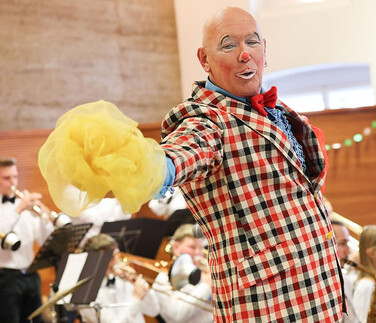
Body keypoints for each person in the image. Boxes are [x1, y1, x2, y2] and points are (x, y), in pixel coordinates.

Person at [155, 7, 343, 321]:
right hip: (265, 308)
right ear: (204, 59)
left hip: (320, 298)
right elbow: (184, 151)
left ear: (264, 50)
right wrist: (152, 168)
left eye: (252, 42)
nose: (245, 54)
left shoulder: (275, 110)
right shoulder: (205, 118)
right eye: (229, 45)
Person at [0, 157, 54, 323]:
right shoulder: (18, 207)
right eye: (6, 178)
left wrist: (44, 217)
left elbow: (45, 239)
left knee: (35, 320)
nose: (13, 182)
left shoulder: (25, 205)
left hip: (31, 274)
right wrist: (19, 209)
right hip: (6, 278)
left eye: (15, 176)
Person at [79, 234, 160, 323]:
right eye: (110, 257)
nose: (116, 261)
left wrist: (138, 284)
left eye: (116, 254)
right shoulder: (86, 293)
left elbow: (153, 311)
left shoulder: (123, 279)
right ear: (95, 261)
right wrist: (136, 298)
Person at [152, 224, 213, 323]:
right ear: (176, 247)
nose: (198, 253)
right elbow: (177, 316)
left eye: (201, 248)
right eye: (192, 247)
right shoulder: (163, 277)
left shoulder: (204, 269)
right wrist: (206, 286)